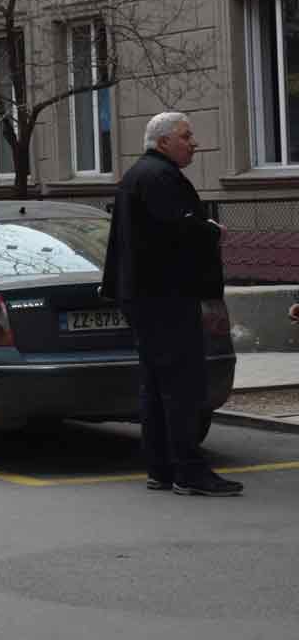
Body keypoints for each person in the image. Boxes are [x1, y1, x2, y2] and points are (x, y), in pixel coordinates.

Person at [101, 112, 240, 496]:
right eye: (186, 136)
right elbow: (178, 232)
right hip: (166, 297)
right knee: (182, 386)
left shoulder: (136, 176)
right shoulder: (161, 178)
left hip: (145, 296)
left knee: (156, 384)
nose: (193, 142)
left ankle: (161, 468)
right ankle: (189, 472)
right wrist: (212, 230)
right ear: (163, 142)